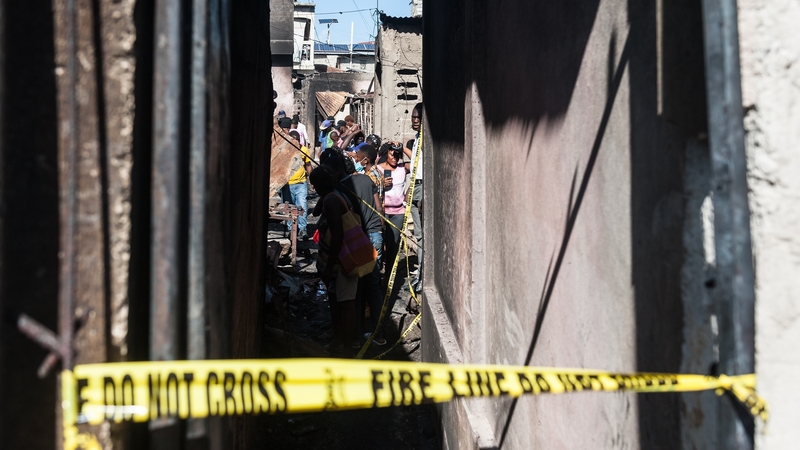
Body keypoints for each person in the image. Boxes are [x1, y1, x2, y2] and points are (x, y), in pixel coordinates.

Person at [309, 166, 358, 358]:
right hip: (336, 258)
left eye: (314, 185)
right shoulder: (331, 196)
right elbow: (315, 212)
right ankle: (339, 341)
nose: (313, 189)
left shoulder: (331, 200)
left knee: (346, 304)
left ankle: (347, 348)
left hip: (342, 259)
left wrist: (329, 266)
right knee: (336, 302)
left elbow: (337, 235)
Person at [377, 143, 409, 281]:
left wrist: (402, 148)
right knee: (381, 243)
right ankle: (378, 272)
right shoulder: (378, 169)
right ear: (386, 154)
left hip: (398, 213)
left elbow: (417, 163)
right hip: (381, 212)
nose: (395, 158)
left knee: (393, 244)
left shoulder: (403, 168)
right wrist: (381, 185)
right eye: (392, 154)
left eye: (397, 155)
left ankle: (389, 275)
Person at [402, 103, 424, 288]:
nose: (415, 121)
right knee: (419, 234)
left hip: (423, 187)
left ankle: (424, 273)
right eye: (413, 118)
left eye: (419, 118)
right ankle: (422, 271)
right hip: (417, 185)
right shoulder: (417, 138)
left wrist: (425, 194)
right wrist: (411, 186)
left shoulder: (426, 139)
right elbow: (418, 166)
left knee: (422, 234)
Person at [286, 130, 312, 239]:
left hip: (301, 183)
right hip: (288, 184)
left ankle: (302, 229)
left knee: (302, 206)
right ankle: (290, 229)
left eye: (297, 140)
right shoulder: (285, 151)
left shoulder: (304, 150)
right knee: (289, 208)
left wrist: (312, 180)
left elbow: (308, 165)